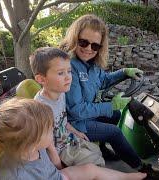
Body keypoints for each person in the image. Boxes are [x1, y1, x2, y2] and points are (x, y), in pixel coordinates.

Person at [0, 98, 146, 180]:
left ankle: (128, 176)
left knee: (90, 169)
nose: (53, 130)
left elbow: (54, 166)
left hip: (59, 176)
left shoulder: (34, 148)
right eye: (48, 129)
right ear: (32, 141)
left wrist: (54, 153)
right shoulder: (15, 175)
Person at [60, 14, 144, 169]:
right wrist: (110, 105)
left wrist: (125, 72)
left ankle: (103, 149)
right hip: (73, 122)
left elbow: (103, 80)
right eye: (83, 42)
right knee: (114, 132)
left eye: (95, 46)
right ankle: (143, 169)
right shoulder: (68, 67)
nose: (88, 49)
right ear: (74, 38)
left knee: (116, 115)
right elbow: (76, 111)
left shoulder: (91, 64)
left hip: (83, 115)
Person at [30, 47, 103, 166]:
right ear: (41, 79)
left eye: (69, 71)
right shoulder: (41, 109)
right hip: (60, 152)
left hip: (69, 139)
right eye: (60, 73)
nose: (68, 77)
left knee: (96, 151)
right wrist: (60, 170)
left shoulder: (61, 93)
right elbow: (48, 147)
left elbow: (62, 121)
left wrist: (76, 132)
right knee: (97, 163)